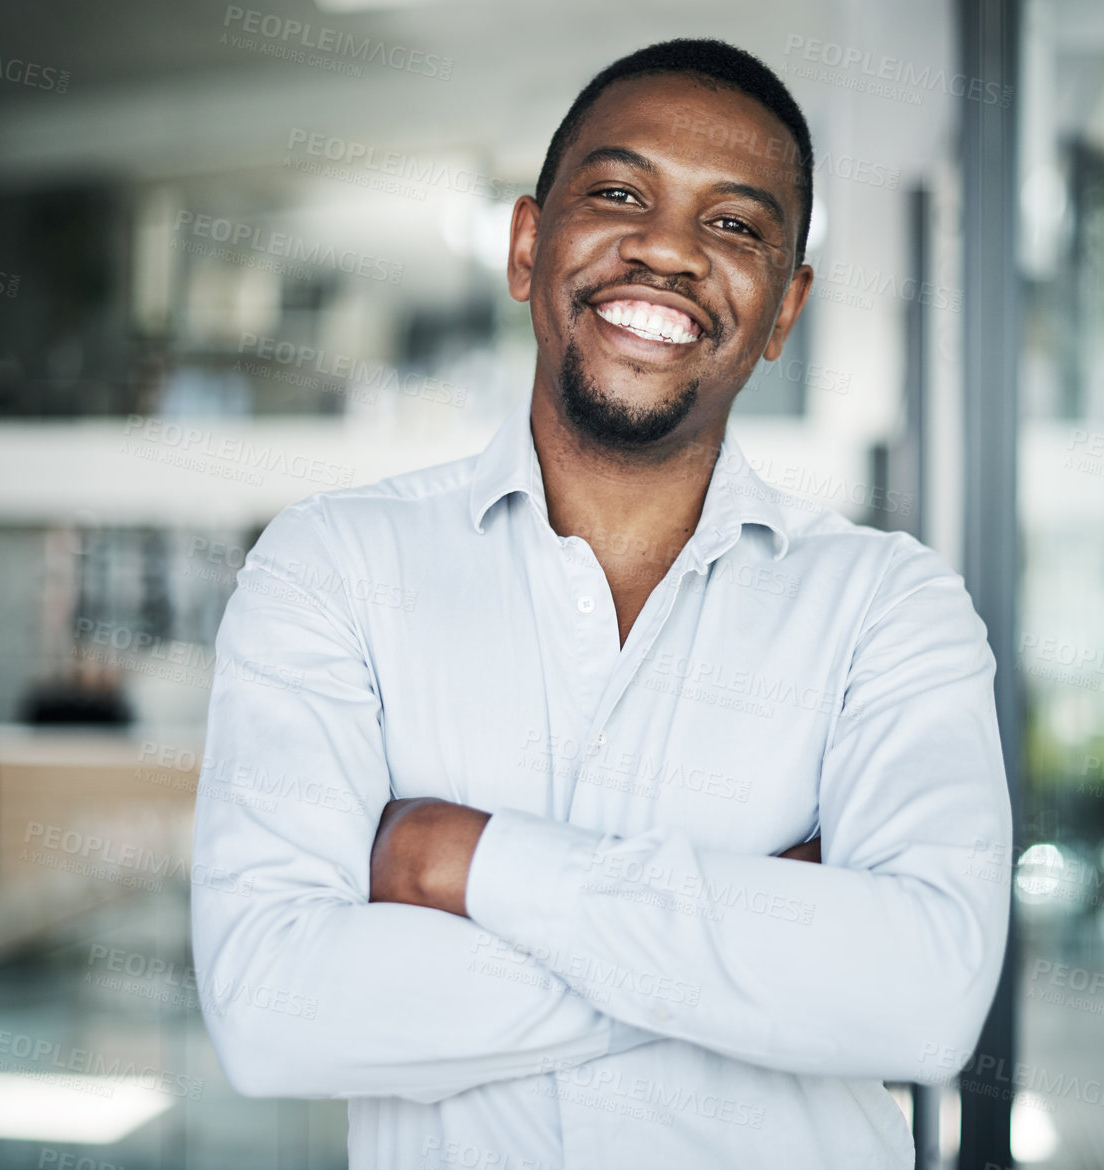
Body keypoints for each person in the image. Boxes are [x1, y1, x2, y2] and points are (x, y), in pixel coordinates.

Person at [191, 36, 1011, 1170]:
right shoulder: (331, 569)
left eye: (734, 225)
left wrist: (462, 864)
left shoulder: (890, 608)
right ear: (529, 245)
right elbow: (270, 1013)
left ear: (783, 310)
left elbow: (923, 1002)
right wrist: (751, 956)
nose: (668, 250)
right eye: (620, 193)